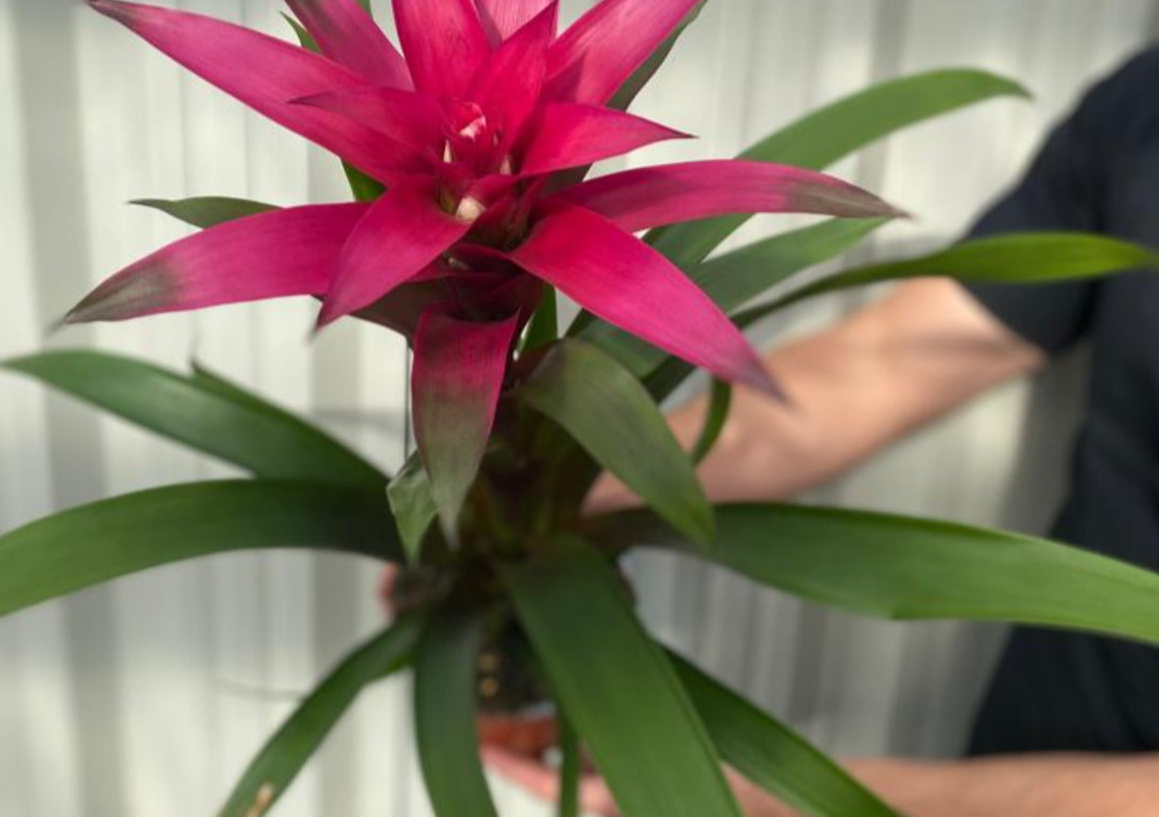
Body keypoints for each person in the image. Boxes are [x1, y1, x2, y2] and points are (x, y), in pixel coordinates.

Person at [488, 48, 1159, 815]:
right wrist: (545, 490)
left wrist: (788, 801)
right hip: (1045, 725)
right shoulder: (1146, 106)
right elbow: (895, 362)